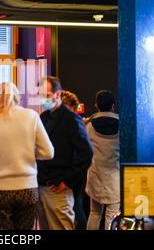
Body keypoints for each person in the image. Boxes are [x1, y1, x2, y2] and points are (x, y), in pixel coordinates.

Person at [0, 82, 54, 230]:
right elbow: (48, 152)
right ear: (18, 97)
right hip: (27, 188)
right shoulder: (31, 116)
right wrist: (29, 152)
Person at [37, 76, 93, 230]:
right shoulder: (43, 117)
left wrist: (67, 181)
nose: (43, 99)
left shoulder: (71, 119)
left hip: (58, 187)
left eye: (47, 95)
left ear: (57, 94)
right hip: (41, 185)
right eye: (40, 95)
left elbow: (87, 153)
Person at [85, 90, 120, 230]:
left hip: (95, 177)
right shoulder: (123, 126)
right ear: (113, 106)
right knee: (112, 216)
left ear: (96, 105)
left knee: (94, 214)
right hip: (114, 179)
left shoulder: (89, 126)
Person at [61, 89, 88, 230]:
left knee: (77, 210)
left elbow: (85, 153)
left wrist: (68, 179)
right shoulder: (75, 122)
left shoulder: (74, 123)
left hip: (72, 178)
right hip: (73, 177)